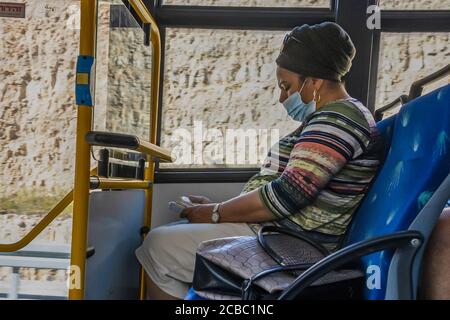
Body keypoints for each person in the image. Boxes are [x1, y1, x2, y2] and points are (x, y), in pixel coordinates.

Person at [135, 22, 384, 300]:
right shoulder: (327, 120)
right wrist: (220, 209)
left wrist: (217, 212)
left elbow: (287, 195)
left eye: (285, 86)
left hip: (292, 246)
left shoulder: (338, 121)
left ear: (314, 81)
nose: (281, 97)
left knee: (158, 246)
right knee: (168, 237)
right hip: (278, 232)